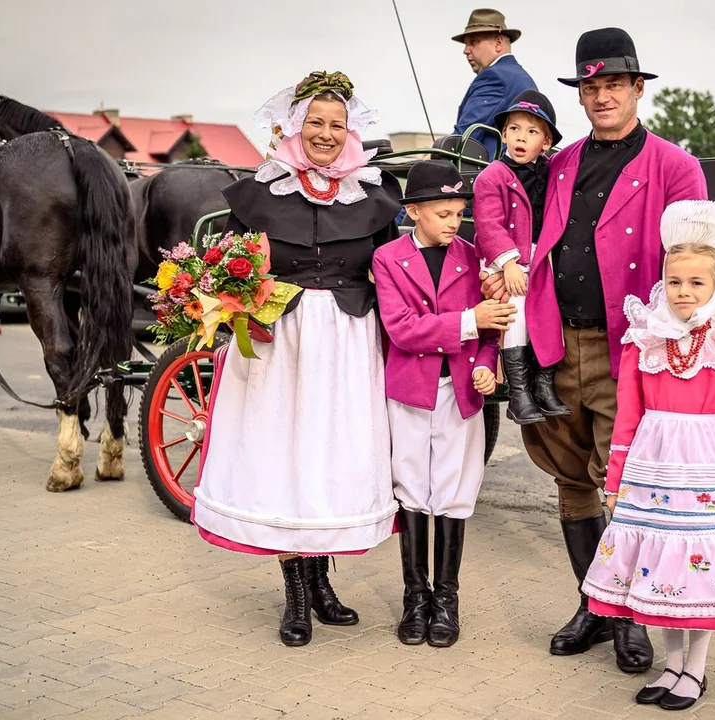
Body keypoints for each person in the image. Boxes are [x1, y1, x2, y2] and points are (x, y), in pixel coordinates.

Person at [482, 27, 710, 674]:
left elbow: (693, 262)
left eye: (613, 83)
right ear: (579, 95)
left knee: (625, 486)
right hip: (557, 341)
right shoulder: (558, 163)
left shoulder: (674, 166)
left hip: (627, 351)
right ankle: (594, 605)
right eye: (590, 86)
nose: (601, 95)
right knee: (568, 478)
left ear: (637, 88)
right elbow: (510, 216)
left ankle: (629, 616)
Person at [191, 71, 402, 647]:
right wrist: (226, 306)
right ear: (293, 125)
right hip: (275, 344)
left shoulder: (375, 197)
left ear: (351, 129)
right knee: (282, 457)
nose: (326, 135)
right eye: (315, 123)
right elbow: (233, 267)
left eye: (337, 124)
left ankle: (323, 579)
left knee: (330, 457)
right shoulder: (260, 191)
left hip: (347, 343)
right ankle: (297, 593)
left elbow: (393, 273)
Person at [581, 200, 715, 710]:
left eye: (697, 284)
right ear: (662, 283)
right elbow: (626, 416)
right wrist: (614, 480)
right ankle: (670, 665)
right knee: (662, 574)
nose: (685, 293)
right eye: (675, 282)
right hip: (652, 472)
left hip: (702, 471)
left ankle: (695, 670)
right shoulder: (644, 342)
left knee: (698, 571)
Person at [373, 159, 510, 648]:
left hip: (460, 390)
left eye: (459, 213)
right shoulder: (388, 258)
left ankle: (446, 601)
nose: (455, 222)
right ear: (413, 211)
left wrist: (486, 360)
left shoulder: (473, 258)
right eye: (444, 213)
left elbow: (494, 326)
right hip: (411, 389)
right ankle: (415, 597)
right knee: (411, 486)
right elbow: (402, 329)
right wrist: (469, 324)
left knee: (453, 492)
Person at [473, 89, 570, 425]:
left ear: (545, 143)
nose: (520, 137)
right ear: (503, 134)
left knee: (546, 317)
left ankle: (543, 386)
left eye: (531, 132)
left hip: (539, 259)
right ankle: (519, 393)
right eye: (514, 129)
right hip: (509, 261)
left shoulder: (549, 172)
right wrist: (509, 263)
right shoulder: (493, 176)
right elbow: (488, 224)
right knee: (517, 315)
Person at [452, 8, 537, 159]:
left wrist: (430, 158)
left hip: (490, 175)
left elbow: (464, 137)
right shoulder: (519, 77)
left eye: (473, 42)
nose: (466, 50)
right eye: (466, 44)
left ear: (498, 43)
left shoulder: (494, 77)